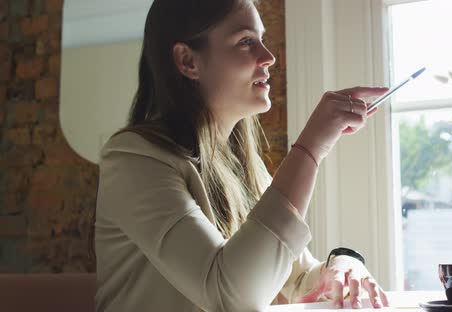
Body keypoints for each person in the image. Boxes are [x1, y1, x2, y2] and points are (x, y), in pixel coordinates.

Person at [93, 0, 390, 311]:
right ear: (187, 61)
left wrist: (343, 264)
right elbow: (230, 296)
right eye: (246, 41)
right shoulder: (133, 160)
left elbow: (298, 278)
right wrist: (310, 148)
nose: (269, 57)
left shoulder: (244, 167)